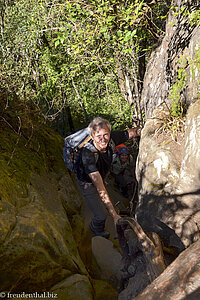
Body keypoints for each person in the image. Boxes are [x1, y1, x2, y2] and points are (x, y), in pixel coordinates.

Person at [76, 117, 141, 239]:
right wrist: (114, 214)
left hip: (100, 174)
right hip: (87, 182)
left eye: (106, 134)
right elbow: (100, 189)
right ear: (92, 136)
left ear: (109, 133)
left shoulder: (112, 138)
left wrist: (144, 131)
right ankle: (96, 228)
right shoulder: (87, 154)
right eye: (98, 135)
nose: (102, 139)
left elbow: (131, 133)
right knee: (101, 215)